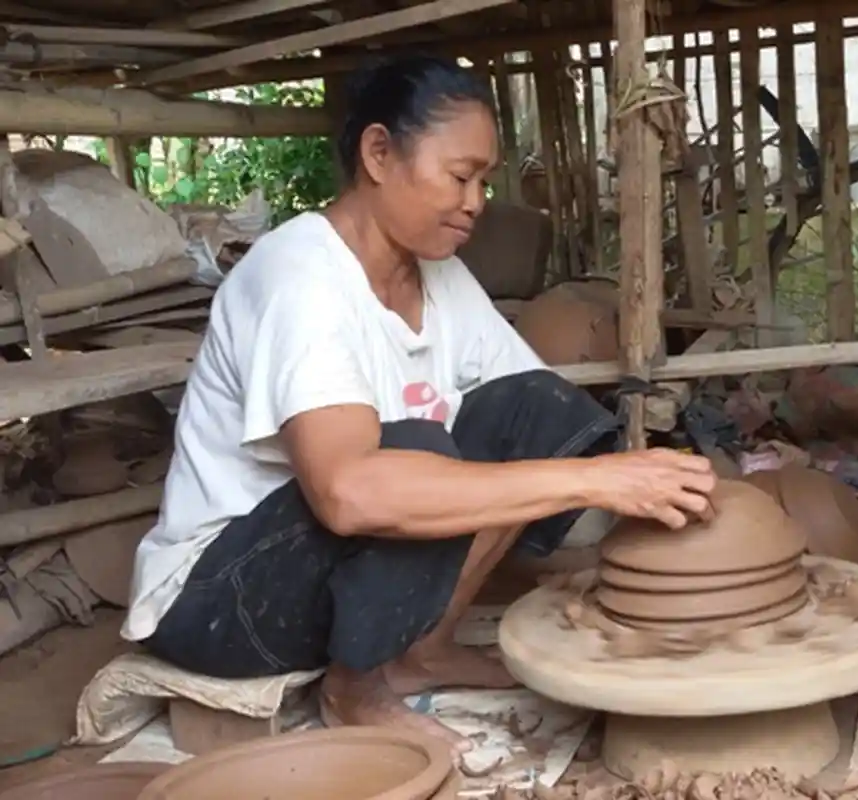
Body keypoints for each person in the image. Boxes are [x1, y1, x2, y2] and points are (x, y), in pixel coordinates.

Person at [121, 53, 717, 747]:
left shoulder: (440, 276)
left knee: (543, 410)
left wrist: (648, 476)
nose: (476, 201)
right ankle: (356, 689)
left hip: (313, 574)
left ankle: (419, 650)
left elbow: (527, 412)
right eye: (460, 176)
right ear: (379, 153)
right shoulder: (299, 279)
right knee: (412, 452)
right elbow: (349, 493)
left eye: (484, 181)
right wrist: (596, 481)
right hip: (218, 599)